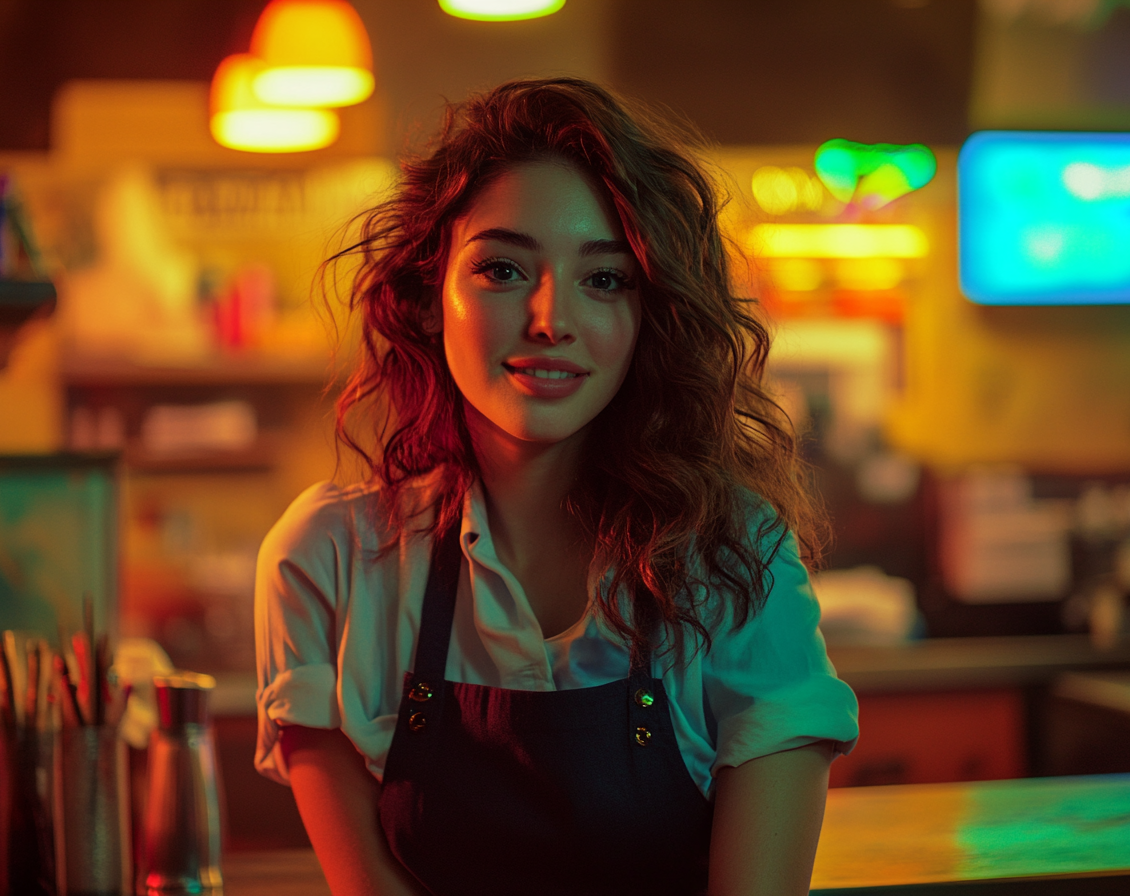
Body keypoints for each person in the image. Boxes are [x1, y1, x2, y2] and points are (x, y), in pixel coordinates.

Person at [254, 77, 859, 896]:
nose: (551, 318)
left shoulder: (733, 561)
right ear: (430, 297)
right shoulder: (329, 561)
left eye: (605, 280)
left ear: (652, 318)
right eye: (503, 269)